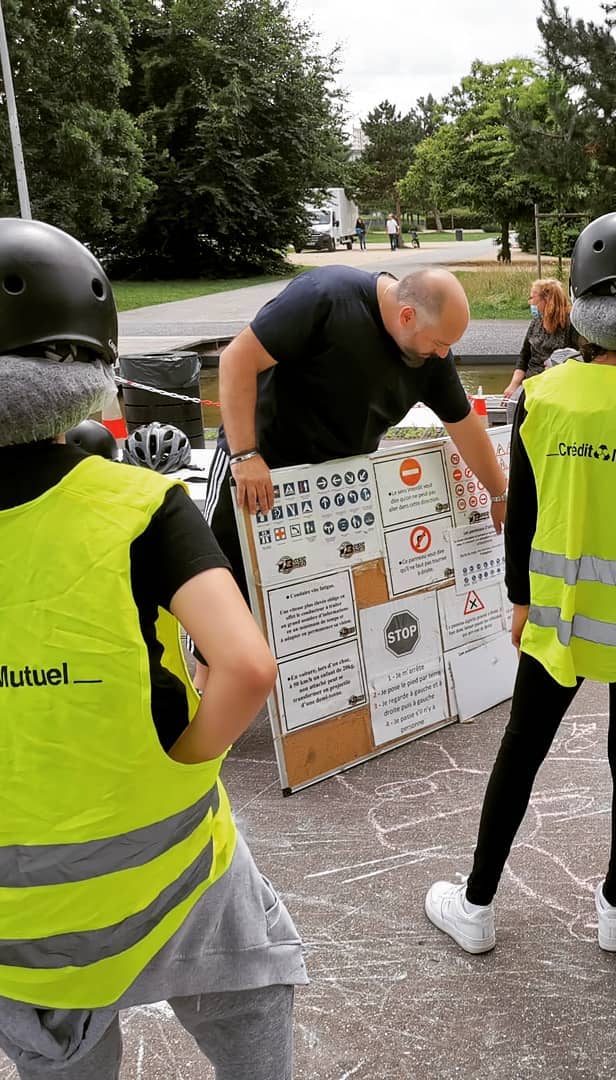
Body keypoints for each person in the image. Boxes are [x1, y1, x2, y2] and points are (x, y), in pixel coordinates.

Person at [0, 218, 306, 1078]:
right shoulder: (138, 505)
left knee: (61, 1053)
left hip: (14, 920)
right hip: (164, 867)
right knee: (252, 999)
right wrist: (191, 756)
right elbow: (245, 666)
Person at [425, 211, 616, 956]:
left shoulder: (541, 400)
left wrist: (519, 598)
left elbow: (522, 514)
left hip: (556, 617)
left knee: (521, 750)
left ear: (577, 311)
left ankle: (477, 904)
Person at [197, 266, 508, 687]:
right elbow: (237, 358)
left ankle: (312, 693)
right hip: (262, 456)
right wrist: (245, 454)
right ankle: (204, 677)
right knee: (227, 568)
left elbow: (463, 423)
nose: (442, 354)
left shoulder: (430, 355)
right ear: (406, 317)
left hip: (335, 480)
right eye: (439, 343)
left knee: (318, 584)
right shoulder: (323, 297)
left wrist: (500, 492)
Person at [501, 278, 576, 398]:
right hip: (531, 385)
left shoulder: (571, 324)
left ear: (546, 300)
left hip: (558, 387)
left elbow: (579, 359)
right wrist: (513, 385)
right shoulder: (536, 322)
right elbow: (524, 357)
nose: (530, 303)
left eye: (532, 298)